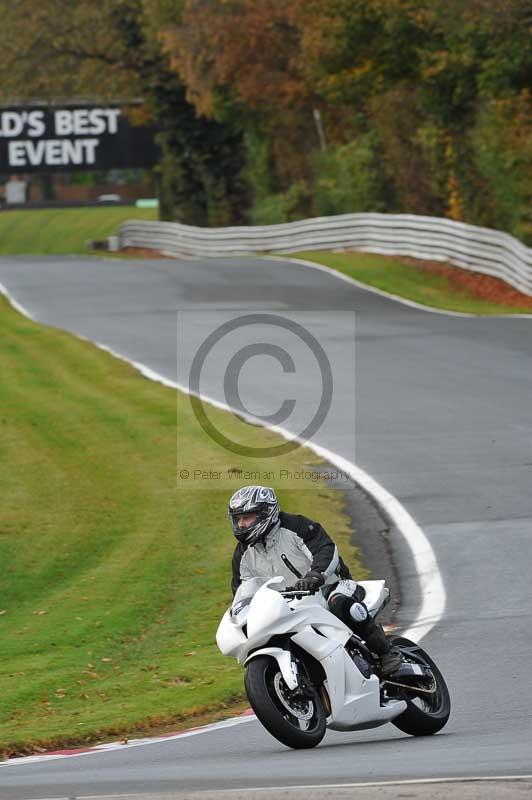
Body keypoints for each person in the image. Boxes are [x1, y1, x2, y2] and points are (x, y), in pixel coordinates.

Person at [228, 485, 402, 678]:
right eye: (238, 519)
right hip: (288, 605)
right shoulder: (243, 554)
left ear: (265, 513)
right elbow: (242, 588)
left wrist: (314, 576)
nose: (242, 524)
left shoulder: (297, 526)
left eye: (247, 517)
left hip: (331, 586)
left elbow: (325, 550)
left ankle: (386, 653)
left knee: (340, 604)